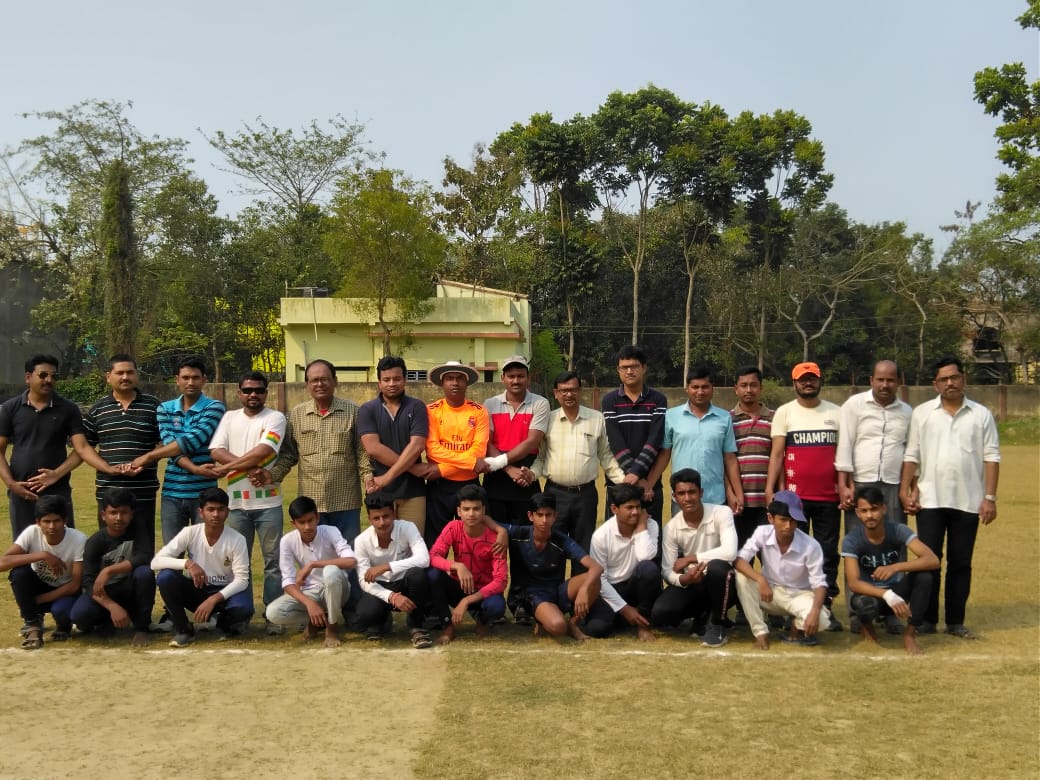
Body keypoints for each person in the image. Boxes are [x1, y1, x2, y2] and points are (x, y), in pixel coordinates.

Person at [900, 355, 1000, 639]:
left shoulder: (981, 414)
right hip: (930, 500)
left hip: (968, 501)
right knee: (929, 561)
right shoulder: (922, 413)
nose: (950, 383)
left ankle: (956, 621)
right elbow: (912, 454)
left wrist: (990, 497)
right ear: (935, 384)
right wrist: (905, 489)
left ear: (963, 379)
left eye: (954, 377)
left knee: (961, 563)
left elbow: (991, 456)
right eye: (943, 379)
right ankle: (927, 620)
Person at [523, 371, 629, 573]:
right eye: (563, 391)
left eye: (573, 390)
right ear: (556, 393)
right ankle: (555, 591)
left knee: (583, 549)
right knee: (553, 547)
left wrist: (625, 482)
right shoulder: (548, 420)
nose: (569, 395)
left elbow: (606, 457)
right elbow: (542, 458)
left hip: (585, 496)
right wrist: (531, 474)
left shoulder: (596, 419)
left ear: (580, 391)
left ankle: (579, 591)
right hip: (555, 495)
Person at [207, 371, 287, 634]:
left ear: (266, 392)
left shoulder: (275, 417)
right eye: (248, 390)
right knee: (239, 563)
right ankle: (241, 613)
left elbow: (265, 450)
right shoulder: (229, 418)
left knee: (273, 563)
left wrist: (226, 468)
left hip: (268, 503)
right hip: (236, 504)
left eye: (259, 390)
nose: (253, 394)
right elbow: (216, 450)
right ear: (239, 392)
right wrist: (246, 467)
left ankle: (273, 614)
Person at [765, 361, 843, 628]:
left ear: (820, 381)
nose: (808, 383)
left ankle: (825, 607)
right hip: (794, 499)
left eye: (812, 378)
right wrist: (771, 488)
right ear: (794, 383)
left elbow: (843, 455)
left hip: (828, 498)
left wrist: (844, 485)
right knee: (793, 553)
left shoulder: (836, 413)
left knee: (827, 554)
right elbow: (777, 454)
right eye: (802, 379)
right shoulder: (785, 412)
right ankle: (791, 606)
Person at [264, 358, 371, 545]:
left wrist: (368, 478)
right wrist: (272, 475)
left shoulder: (353, 411)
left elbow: (362, 452)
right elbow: (289, 454)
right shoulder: (297, 415)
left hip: (345, 500)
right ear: (307, 384)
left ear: (335, 381)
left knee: (348, 552)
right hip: (311, 503)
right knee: (314, 554)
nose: (319, 384)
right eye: (314, 380)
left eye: (324, 379)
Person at [479, 354, 550, 623]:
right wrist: (507, 468)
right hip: (498, 479)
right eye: (511, 376)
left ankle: (521, 602)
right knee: (494, 545)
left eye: (521, 375)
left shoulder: (540, 403)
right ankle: (493, 601)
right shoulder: (489, 404)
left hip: (526, 479)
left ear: (528, 378)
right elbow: (487, 442)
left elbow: (533, 440)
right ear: (503, 378)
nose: (516, 380)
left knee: (524, 546)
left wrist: (519, 471)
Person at [129, 355, 226, 546]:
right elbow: (171, 446)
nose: (190, 382)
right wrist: (195, 468)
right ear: (177, 379)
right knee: (172, 553)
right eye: (185, 377)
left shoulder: (215, 407)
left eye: (196, 378)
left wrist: (149, 456)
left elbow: (192, 440)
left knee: (204, 553)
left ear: (204, 380)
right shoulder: (164, 409)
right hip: (172, 493)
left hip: (205, 495)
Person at [0, 354, 93, 536]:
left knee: (63, 543)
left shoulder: (68, 409)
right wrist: (11, 484)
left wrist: (56, 474)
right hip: (22, 491)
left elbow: (81, 449)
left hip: (57, 491)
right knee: (25, 545)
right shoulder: (10, 408)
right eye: (43, 375)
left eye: (53, 376)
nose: (49, 380)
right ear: (28, 377)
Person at [151, 487, 254, 648]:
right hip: (197, 589)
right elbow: (155, 562)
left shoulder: (237, 539)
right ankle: (184, 629)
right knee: (165, 577)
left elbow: (242, 580)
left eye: (221, 509)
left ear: (227, 512)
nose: (215, 514)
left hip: (223, 594)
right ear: (201, 512)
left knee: (244, 607)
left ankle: (223, 625)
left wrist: (214, 599)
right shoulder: (190, 532)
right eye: (210, 509)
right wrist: (188, 563)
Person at [842, 486, 939, 655]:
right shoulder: (852, 539)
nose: (869, 515)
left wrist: (895, 567)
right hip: (872, 596)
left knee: (925, 577)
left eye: (874, 509)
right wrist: (886, 594)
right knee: (862, 603)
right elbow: (853, 583)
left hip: (897, 593)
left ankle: (909, 634)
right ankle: (867, 627)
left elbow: (933, 560)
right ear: (857, 513)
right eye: (864, 511)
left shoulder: (898, 530)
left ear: (884, 509)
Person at [80, 354, 162, 554]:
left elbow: (164, 443)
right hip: (109, 493)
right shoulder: (98, 410)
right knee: (111, 552)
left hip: (143, 493)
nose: (125, 377)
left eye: (130, 372)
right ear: (108, 376)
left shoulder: (153, 406)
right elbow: (84, 446)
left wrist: (145, 462)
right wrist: (107, 468)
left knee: (143, 552)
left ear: (136, 375)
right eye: (120, 373)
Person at [734, 490, 833, 650]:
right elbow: (739, 560)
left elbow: (819, 584)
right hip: (768, 593)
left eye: (793, 521)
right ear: (770, 518)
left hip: (798, 596)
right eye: (783, 520)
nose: (788, 526)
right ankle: (760, 633)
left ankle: (796, 624)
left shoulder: (810, 545)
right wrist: (760, 579)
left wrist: (814, 612)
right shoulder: (762, 533)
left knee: (821, 620)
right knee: (741, 577)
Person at [651, 469, 738, 648]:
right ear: (674, 497)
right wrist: (684, 579)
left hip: (724, 582)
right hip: (693, 582)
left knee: (717, 568)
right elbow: (667, 570)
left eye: (692, 492)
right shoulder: (671, 528)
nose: (688, 498)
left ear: (701, 493)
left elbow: (730, 552)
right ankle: (702, 615)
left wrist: (692, 558)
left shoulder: (722, 513)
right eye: (681, 493)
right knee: (661, 613)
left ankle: (717, 624)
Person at [504, 492, 603, 641]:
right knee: (558, 626)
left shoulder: (561, 540)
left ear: (555, 516)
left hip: (557, 592)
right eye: (540, 515)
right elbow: (486, 521)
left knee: (595, 580)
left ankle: (573, 624)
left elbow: (596, 567)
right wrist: (501, 532)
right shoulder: (518, 533)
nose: (544, 520)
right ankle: (544, 619)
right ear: (530, 516)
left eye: (548, 515)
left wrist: (584, 589)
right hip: (532, 595)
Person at [647, 366, 742, 516]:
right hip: (682, 498)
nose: (700, 392)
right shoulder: (672, 416)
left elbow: (730, 458)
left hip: (715, 498)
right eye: (695, 387)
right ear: (687, 388)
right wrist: (649, 484)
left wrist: (737, 494)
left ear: (712, 388)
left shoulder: (724, 418)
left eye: (705, 387)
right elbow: (664, 454)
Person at [266, 495, 356, 648]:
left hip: (338, 589)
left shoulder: (330, 531)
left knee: (330, 572)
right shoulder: (287, 541)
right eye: (302, 522)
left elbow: (351, 561)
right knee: (273, 613)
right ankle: (316, 620)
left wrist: (313, 564)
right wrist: (310, 604)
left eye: (310, 520)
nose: (307, 527)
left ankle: (332, 629)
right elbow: (288, 583)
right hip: (311, 592)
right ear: (293, 523)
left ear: (317, 518)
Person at [69, 488, 155, 646]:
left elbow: (145, 557)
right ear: (103, 515)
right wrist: (112, 606)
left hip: (129, 588)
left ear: (131, 514)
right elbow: (88, 582)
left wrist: (109, 570)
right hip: (105, 592)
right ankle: (107, 621)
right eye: (113, 512)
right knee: (79, 615)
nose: (119, 518)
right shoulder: (95, 542)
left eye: (124, 512)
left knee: (145, 573)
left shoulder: (138, 529)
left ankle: (142, 628)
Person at [1, 494, 86, 649]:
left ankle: (63, 625)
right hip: (40, 584)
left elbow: (75, 585)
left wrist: (37, 601)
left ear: (65, 521)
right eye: (46, 521)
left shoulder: (78, 540)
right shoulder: (32, 532)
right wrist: (42, 555)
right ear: (38, 522)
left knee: (61, 610)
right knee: (19, 573)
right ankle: (33, 625)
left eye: (56, 521)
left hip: (65, 590)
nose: (52, 527)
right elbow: (2, 563)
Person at [427, 484, 507, 645]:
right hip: (460, 587)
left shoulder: (496, 538)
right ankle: (448, 626)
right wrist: (456, 566)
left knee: (496, 606)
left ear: (483, 511)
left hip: (483, 593)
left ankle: (482, 620)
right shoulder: (453, 527)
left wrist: (467, 601)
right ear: (459, 511)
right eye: (466, 509)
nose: (471, 514)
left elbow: (501, 581)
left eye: (476, 509)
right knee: (432, 575)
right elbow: (433, 556)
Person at [358, 355, 429, 532]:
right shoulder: (367, 410)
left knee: (414, 542)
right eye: (386, 379)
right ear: (379, 383)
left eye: (397, 379)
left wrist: (387, 478)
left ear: (405, 380)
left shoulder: (417, 407)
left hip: (413, 491)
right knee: (383, 543)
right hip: (380, 493)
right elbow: (373, 448)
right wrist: (413, 468)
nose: (392, 384)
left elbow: (417, 445)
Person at [836, 359, 911, 527]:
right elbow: (845, 445)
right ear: (871, 380)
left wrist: (907, 489)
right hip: (860, 483)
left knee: (894, 536)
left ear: (899, 382)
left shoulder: (907, 412)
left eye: (890, 380)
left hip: (893, 484)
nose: (885, 385)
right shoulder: (854, 405)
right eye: (880, 379)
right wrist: (843, 485)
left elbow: (910, 452)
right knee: (858, 536)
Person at [353, 492, 433, 648]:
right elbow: (364, 581)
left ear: (394, 514)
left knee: (418, 575)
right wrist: (391, 596)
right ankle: (380, 622)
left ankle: (416, 625)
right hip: (381, 587)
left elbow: (424, 559)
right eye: (376, 518)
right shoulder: (361, 540)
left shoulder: (408, 527)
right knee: (365, 614)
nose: (382, 523)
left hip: (406, 584)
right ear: (369, 519)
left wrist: (387, 566)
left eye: (386, 516)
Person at [423, 360, 490, 547]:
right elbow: (433, 449)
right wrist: (470, 463)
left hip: (469, 484)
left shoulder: (479, 411)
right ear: (442, 383)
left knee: (472, 543)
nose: (455, 383)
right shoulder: (431, 411)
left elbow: (479, 450)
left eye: (460, 378)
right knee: (435, 542)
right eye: (450, 378)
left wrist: (442, 469)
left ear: (466, 383)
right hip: (439, 487)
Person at [584, 483, 661, 641]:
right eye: (629, 508)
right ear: (614, 509)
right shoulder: (601, 536)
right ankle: (623, 617)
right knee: (597, 629)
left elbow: (645, 557)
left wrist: (641, 527)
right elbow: (600, 579)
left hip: (636, 587)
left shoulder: (650, 525)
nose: (635, 512)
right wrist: (624, 608)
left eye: (638, 507)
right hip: (611, 588)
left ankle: (643, 625)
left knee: (648, 569)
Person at [601, 345, 667, 526]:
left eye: (634, 366)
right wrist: (637, 478)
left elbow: (654, 441)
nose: (629, 371)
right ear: (618, 370)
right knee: (616, 539)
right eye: (624, 367)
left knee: (650, 538)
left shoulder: (658, 400)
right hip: (619, 484)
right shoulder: (610, 401)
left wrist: (641, 478)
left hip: (650, 487)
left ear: (644, 368)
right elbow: (615, 441)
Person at [729, 366, 775, 547]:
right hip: (738, 503)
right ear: (736, 389)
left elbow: (779, 458)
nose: (749, 390)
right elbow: (725, 461)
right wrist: (732, 494)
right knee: (740, 556)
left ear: (761, 388)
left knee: (769, 555)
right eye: (744, 385)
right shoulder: (727, 420)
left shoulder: (774, 418)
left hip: (767, 502)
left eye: (753, 385)